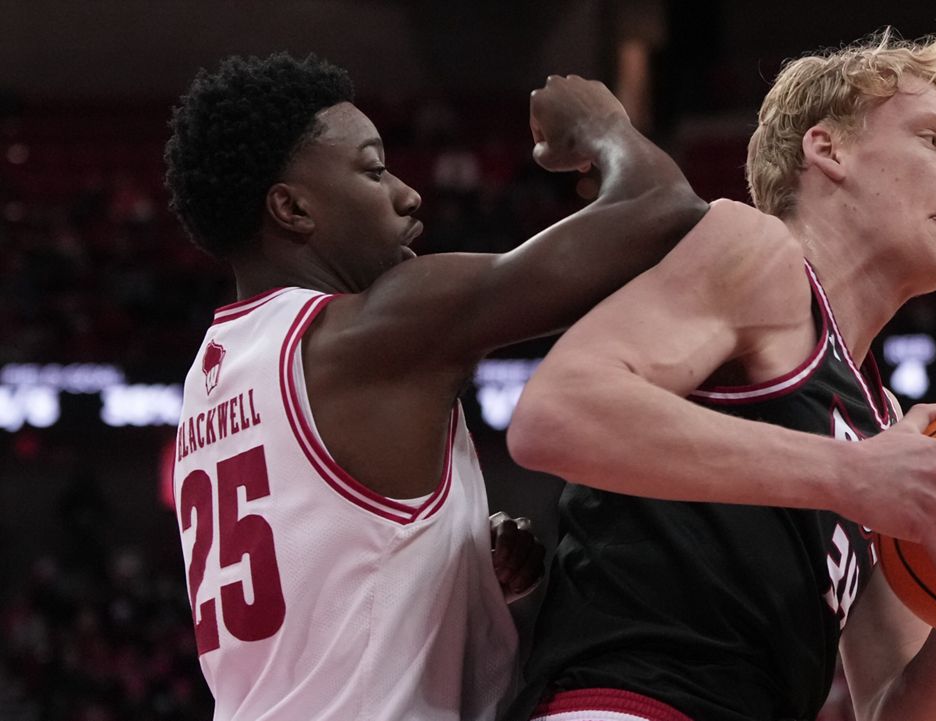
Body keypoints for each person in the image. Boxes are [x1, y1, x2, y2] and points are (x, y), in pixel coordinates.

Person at [506, 31, 936, 721]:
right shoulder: (758, 252)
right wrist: (856, 475)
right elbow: (556, 413)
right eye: (931, 138)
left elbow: (892, 710)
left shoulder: (884, 424)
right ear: (829, 149)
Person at [164, 53, 707, 721]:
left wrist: (461, 555)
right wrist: (603, 123)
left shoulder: (212, 374)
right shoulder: (371, 333)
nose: (406, 192)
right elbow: (663, 209)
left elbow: (331, 567)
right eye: (372, 169)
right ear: (292, 207)